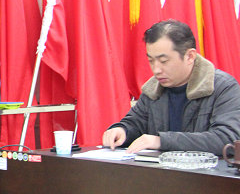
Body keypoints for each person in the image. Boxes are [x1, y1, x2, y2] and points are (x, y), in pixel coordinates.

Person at [102, 19, 240, 155]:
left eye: (164, 61)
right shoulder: (153, 90)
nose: (156, 70)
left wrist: (162, 141)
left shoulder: (223, 87)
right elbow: (136, 123)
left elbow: (228, 139)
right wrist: (122, 130)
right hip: (160, 169)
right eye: (151, 61)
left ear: (190, 56)